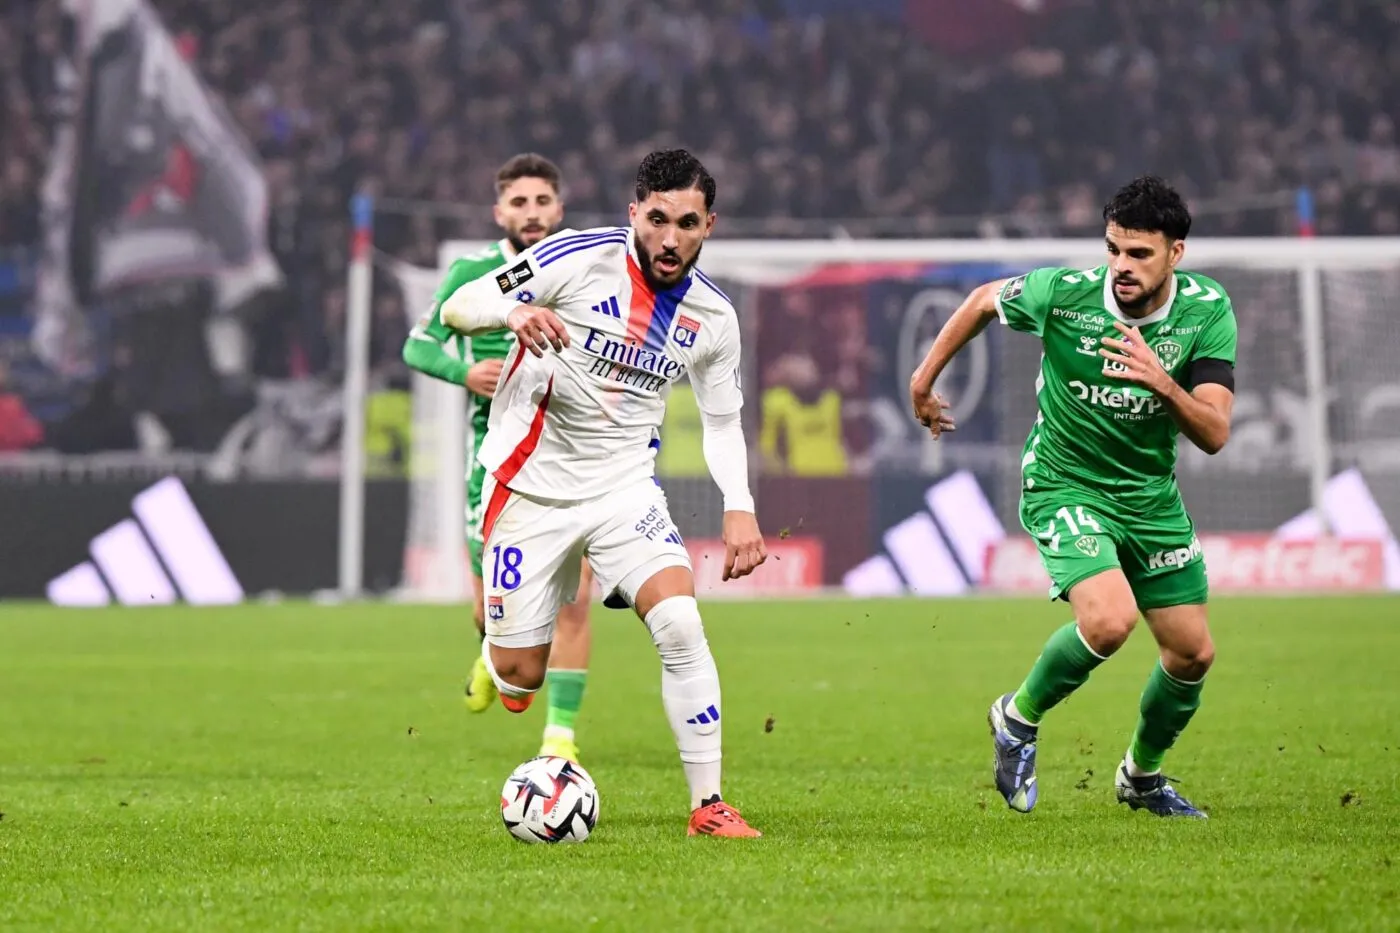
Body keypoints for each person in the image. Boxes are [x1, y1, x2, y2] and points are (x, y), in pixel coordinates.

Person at [439, 148, 767, 837]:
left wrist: (740, 505)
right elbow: (459, 306)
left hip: (623, 490)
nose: (669, 238)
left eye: (686, 222)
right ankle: (507, 642)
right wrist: (512, 314)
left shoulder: (713, 316)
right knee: (519, 680)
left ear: (710, 224)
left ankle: (708, 804)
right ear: (633, 215)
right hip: (528, 490)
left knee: (680, 622)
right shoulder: (576, 258)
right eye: (656, 219)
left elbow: (722, 419)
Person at [909, 176, 1236, 819]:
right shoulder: (1065, 294)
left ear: (1176, 253)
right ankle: (1017, 717)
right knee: (1109, 621)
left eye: (1139, 254)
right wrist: (923, 383)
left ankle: (1141, 778)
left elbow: (1215, 432)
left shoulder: (1206, 310)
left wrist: (1163, 384)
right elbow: (980, 301)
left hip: (1148, 495)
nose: (1120, 266)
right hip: (1065, 483)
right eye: (1114, 248)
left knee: (1192, 652)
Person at [402, 154, 591, 764]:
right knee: (491, 610)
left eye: (541, 203)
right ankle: (492, 654)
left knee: (574, 600)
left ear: (559, 208)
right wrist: (465, 371)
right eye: (519, 203)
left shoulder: (590, 269)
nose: (531, 214)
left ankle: (559, 738)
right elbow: (418, 343)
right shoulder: (473, 271)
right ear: (499, 211)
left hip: (572, 458)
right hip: (495, 459)